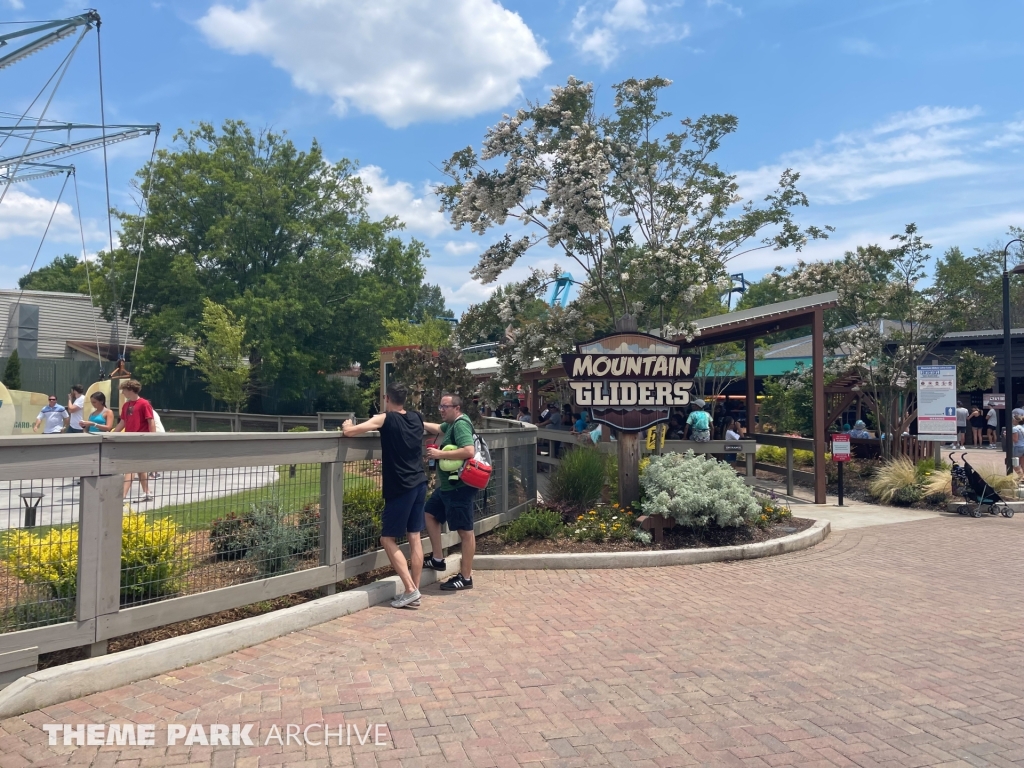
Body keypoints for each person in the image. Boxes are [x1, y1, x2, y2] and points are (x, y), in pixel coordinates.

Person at [342, 382, 428, 609]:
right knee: (415, 537)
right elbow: (432, 427)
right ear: (405, 399)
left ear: (386, 398)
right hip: (420, 482)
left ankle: (410, 590)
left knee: (387, 539)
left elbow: (350, 432)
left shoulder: (384, 419)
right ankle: (415, 590)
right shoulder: (416, 418)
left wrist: (347, 423)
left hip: (401, 487)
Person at [422, 394, 478, 592]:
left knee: (465, 532)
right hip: (446, 488)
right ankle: (437, 558)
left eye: (445, 406)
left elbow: (469, 451)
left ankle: (465, 577)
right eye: (440, 406)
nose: (441, 410)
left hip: (458, 488)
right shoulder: (451, 424)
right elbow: (438, 428)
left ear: (457, 407)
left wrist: (440, 454)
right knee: (430, 513)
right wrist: (417, 421)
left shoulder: (461, 425)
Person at [112, 379, 156, 502]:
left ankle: (122, 496)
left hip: (141, 440)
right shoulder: (126, 405)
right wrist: (112, 434)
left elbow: (150, 421)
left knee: (130, 467)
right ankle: (147, 493)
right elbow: (123, 422)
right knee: (139, 467)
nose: (122, 393)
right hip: (129, 439)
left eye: (124, 391)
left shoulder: (144, 404)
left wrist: (153, 438)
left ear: (131, 390)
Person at [1013, 413, 1024, 481]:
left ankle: (1020, 476)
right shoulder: (1022, 427)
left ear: (1016, 421)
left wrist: (1007, 436)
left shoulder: (1015, 428)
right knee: (1022, 463)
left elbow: (1015, 440)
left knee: (1014, 463)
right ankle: (1023, 477)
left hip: (1018, 447)